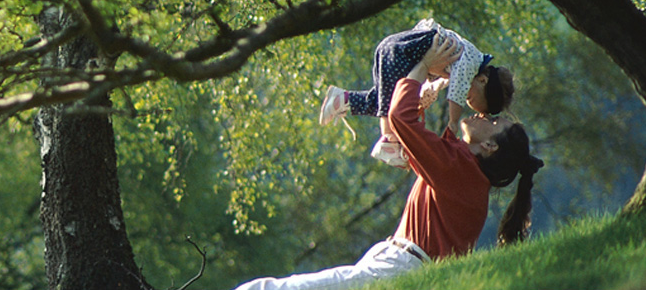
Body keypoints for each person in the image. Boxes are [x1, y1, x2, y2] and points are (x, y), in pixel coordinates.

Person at [233, 33, 543, 290]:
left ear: (490, 145)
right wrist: (424, 96)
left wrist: (424, 64)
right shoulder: (464, 172)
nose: (482, 116)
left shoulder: (461, 171)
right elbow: (415, 133)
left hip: (400, 268)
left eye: (493, 123)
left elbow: (399, 117)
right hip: (396, 263)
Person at [319, 19, 515, 168]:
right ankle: (389, 140)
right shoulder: (470, 64)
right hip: (402, 52)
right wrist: (453, 121)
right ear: (483, 80)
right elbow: (455, 94)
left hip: (397, 49)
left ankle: (343, 100)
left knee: (382, 100)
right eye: (470, 98)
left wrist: (427, 91)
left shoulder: (464, 64)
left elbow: (441, 83)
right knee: (391, 104)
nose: (465, 98)